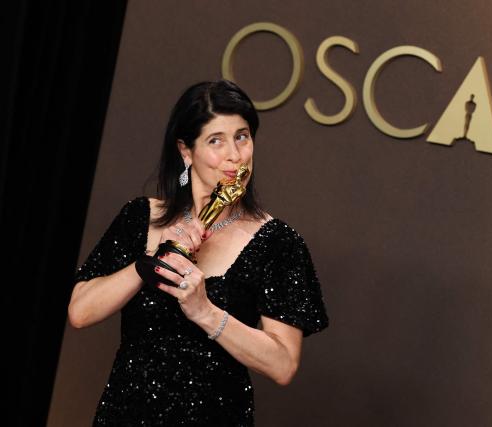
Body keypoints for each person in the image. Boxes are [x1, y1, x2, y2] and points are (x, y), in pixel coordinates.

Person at [67, 80, 329, 426]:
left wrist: (205, 312)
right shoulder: (141, 216)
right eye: (215, 141)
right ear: (186, 151)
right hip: (125, 413)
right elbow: (80, 312)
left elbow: (282, 365)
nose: (234, 155)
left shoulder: (279, 242)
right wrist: (148, 265)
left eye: (242, 136)